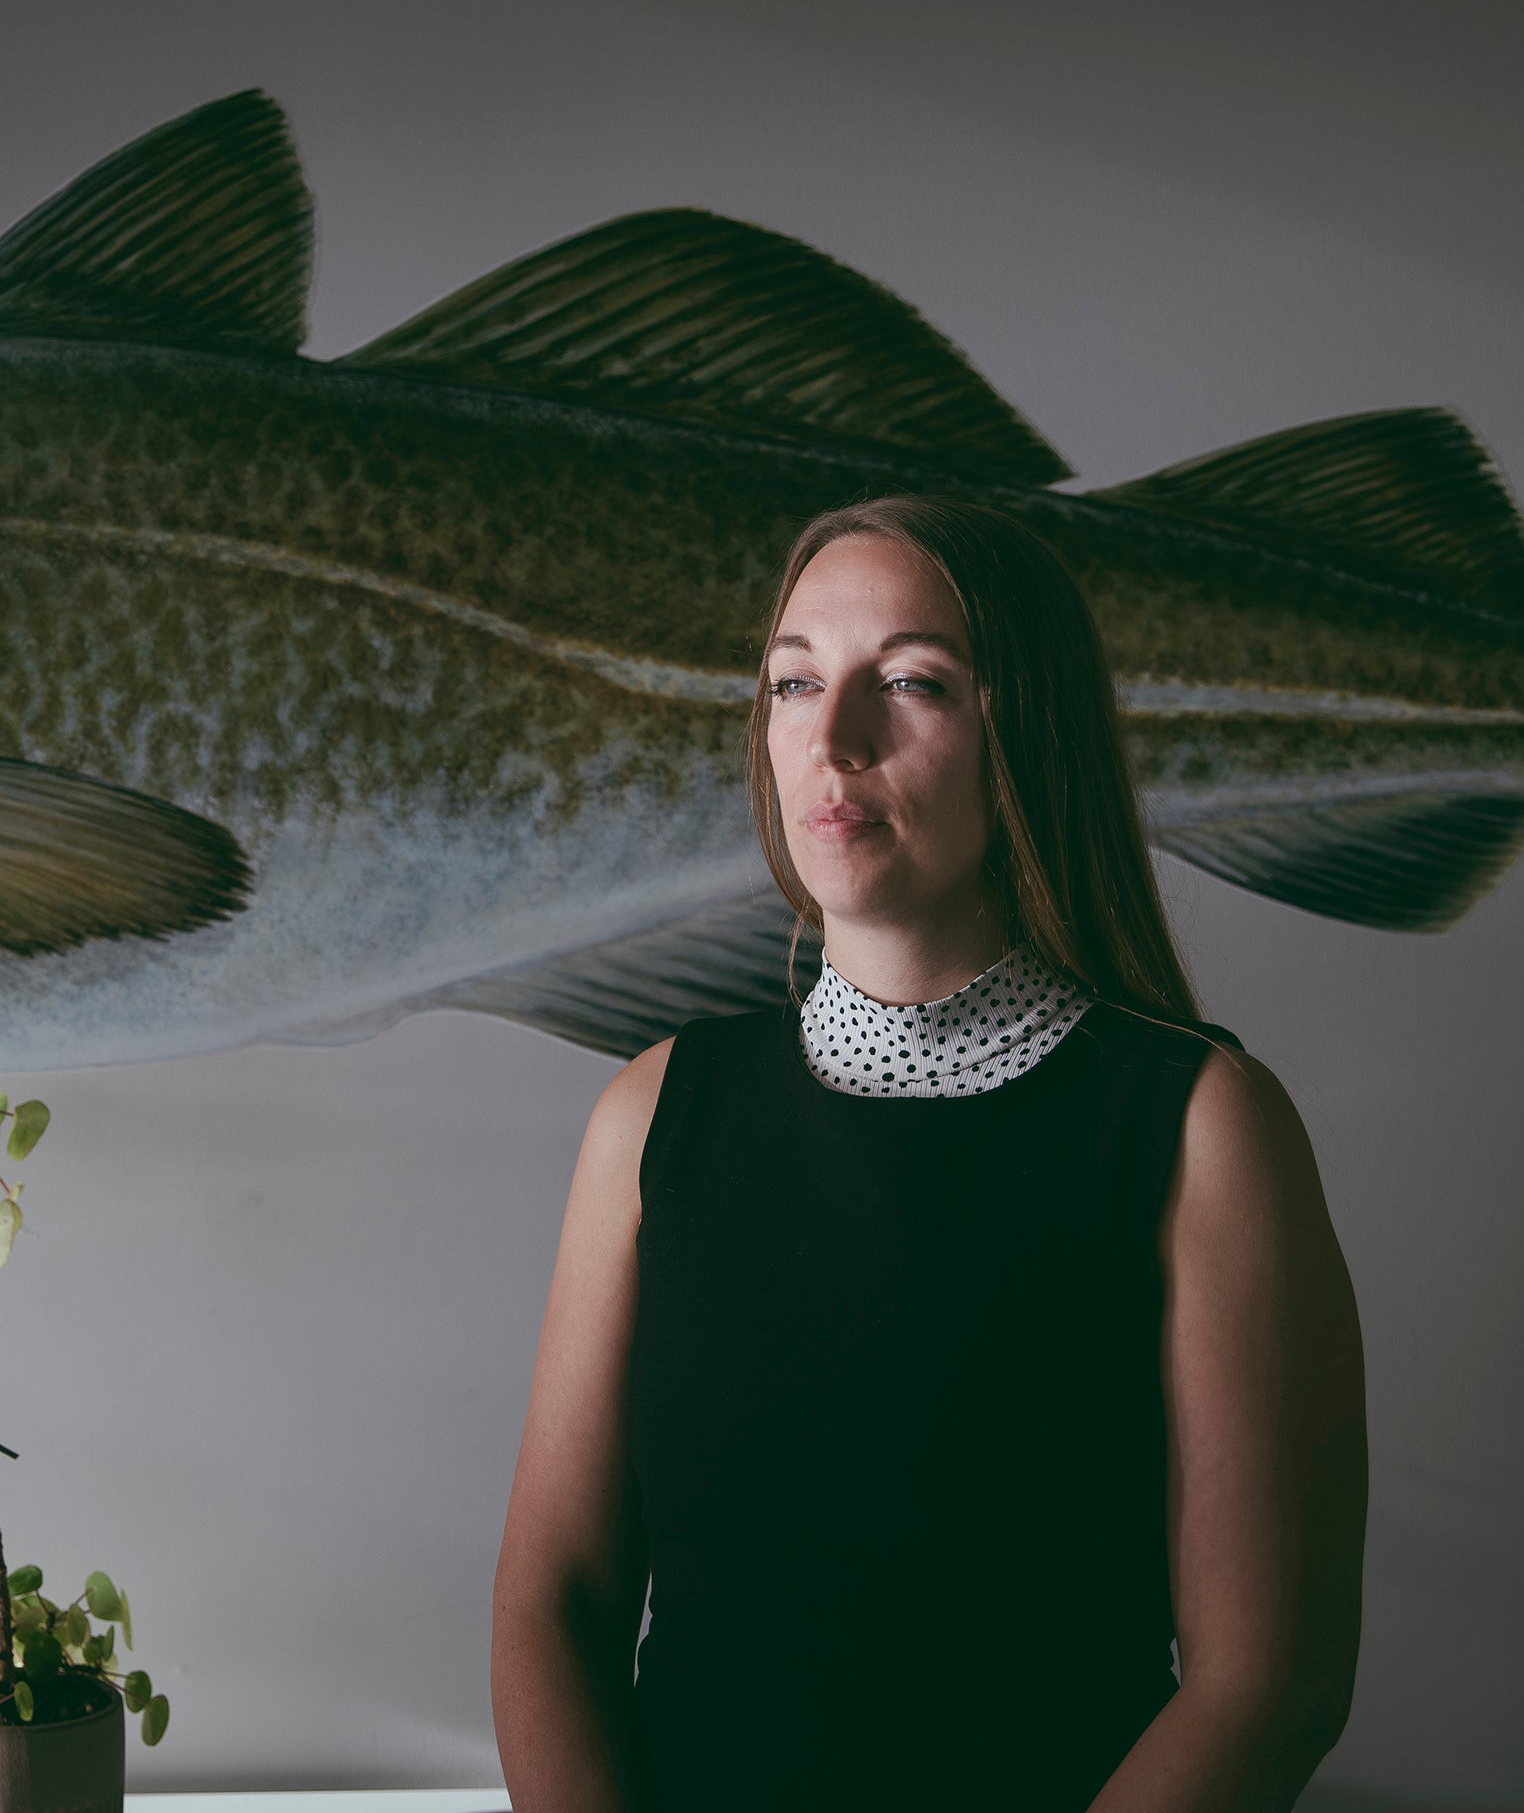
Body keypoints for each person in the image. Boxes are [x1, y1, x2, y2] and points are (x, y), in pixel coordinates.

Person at [490, 496, 1369, 1810]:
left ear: (1026, 728)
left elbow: (1267, 1685)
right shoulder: (653, 1113)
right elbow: (550, 1602)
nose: (831, 739)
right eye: (795, 681)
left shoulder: (1202, 1125)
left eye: (910, 682)